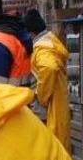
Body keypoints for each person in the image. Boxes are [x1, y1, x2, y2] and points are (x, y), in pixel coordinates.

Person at [23, 9, 71, 152]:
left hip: (50, 107)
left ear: (31, 32)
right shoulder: (51, 42)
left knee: (52, 149)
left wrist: (42, 96)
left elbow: (49, 67)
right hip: (57, 102)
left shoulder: (42, 48)